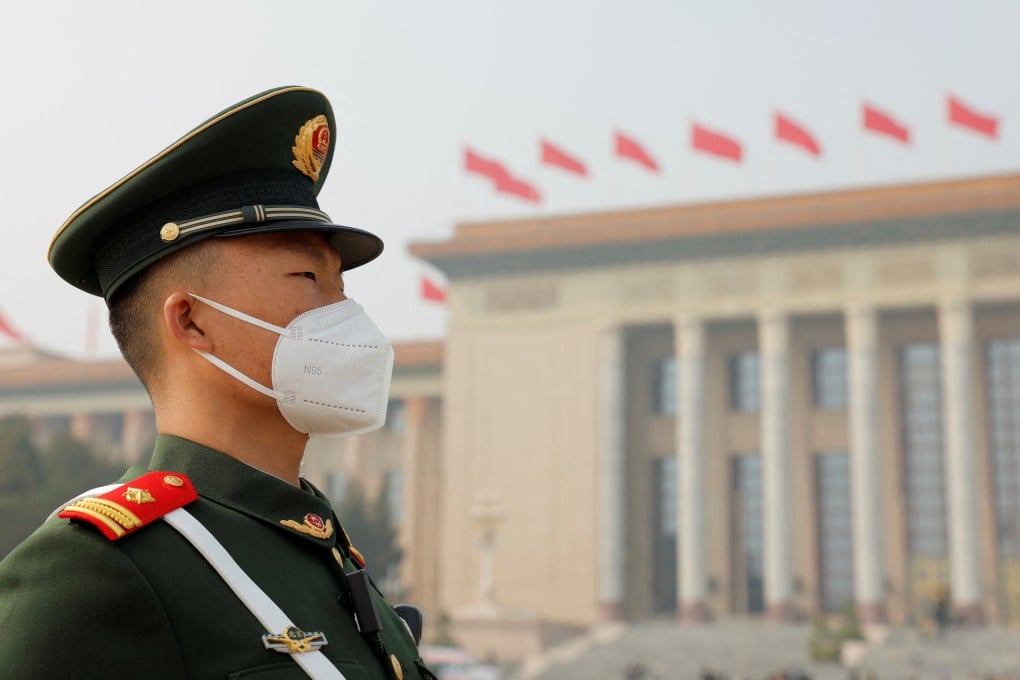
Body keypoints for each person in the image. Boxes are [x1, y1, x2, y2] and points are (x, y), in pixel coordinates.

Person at [0, 86, 435, 679]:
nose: (343, 312)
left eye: (342, 286)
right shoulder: (96, 571)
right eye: (307, 276)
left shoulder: (328, 555)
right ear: (191, 321)